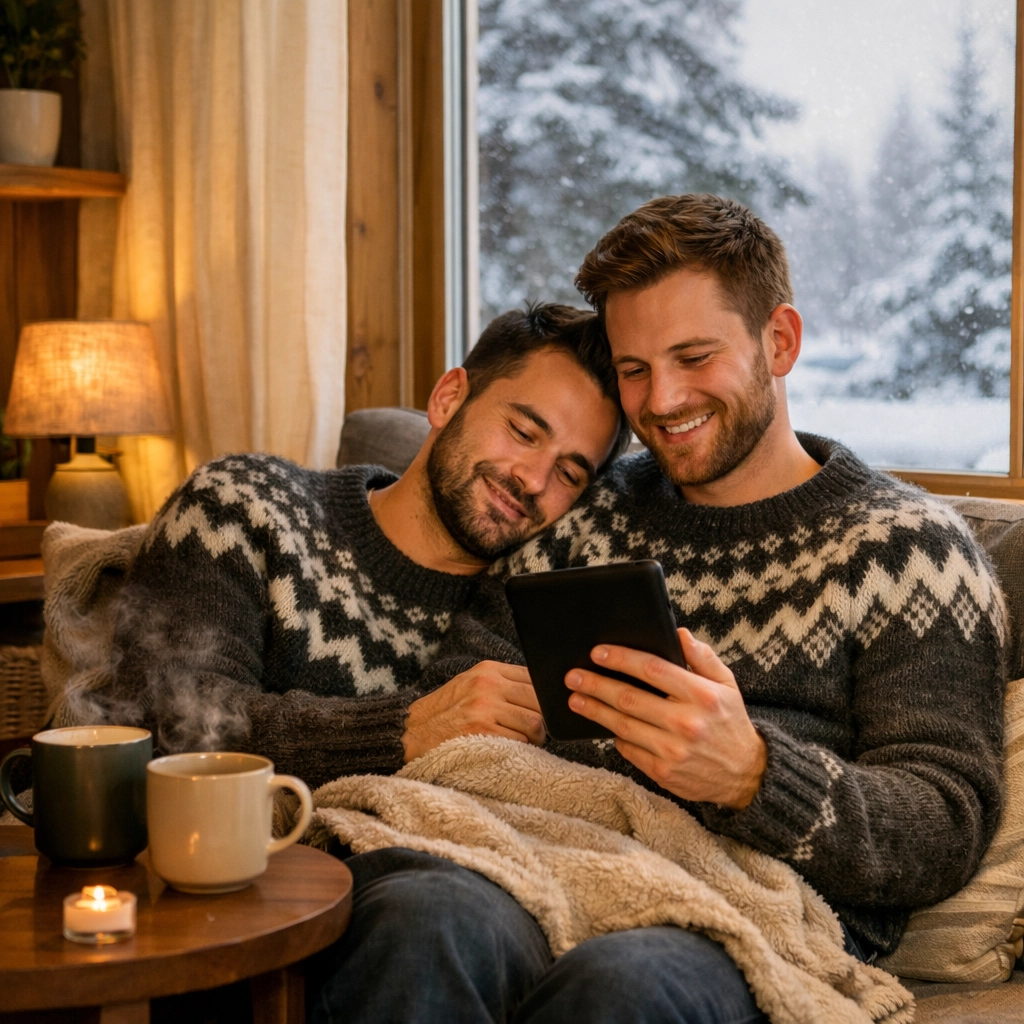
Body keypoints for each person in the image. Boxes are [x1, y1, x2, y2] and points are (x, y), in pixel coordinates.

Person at [314, 195, 1008, 1024]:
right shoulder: (583, 509)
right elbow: (464, 688)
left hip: (746, 909)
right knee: (417, 921)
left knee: (625, 987)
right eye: (634, 368)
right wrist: (503, 713)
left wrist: (753, 774)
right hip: (525, 852)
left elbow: (944, 820)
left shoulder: (909, 552)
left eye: (693, 357)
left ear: (778, 342)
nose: (661, 400)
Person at [107, 304, 628, 788]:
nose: (534, 480)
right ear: (449, 398)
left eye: (568, 473)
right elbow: (163, 715)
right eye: (522, 431)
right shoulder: (243, 504)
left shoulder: (526, 613)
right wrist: (401, 730)